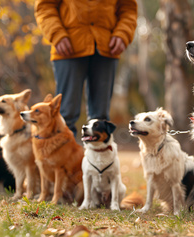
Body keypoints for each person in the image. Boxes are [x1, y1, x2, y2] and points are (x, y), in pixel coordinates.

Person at [34, 0, 138, 136]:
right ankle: (63, 155)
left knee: (100, 118)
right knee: (66, 114)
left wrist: (122, 34)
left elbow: (128, 8)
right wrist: (57, 34)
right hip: (68, 46)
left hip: (107, 47)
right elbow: (45, 6)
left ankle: (98, 157)